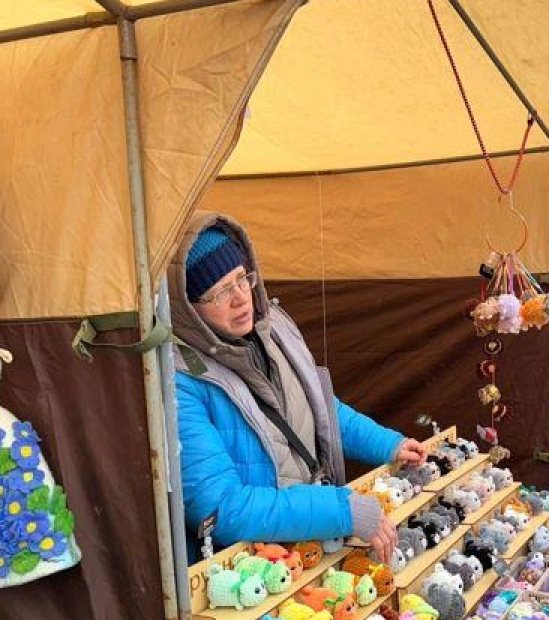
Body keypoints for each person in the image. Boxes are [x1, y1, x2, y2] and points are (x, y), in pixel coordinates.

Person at [169, 212, 428, 561]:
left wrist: (387, 444)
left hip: (309, 544)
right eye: (220, 293)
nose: (241, 298)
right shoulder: (181, 382)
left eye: (242, 279)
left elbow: (320, 409)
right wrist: (339, 511)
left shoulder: (273, 331)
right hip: (258, 567)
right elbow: (221, 509)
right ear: (190, 309)